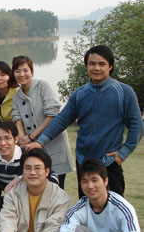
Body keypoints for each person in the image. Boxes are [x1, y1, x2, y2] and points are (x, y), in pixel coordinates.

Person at [27, 45, 143, 197]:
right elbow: (62, 119)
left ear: (111, 66)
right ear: (86, 66)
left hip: (109, 161)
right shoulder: (80, 94)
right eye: (92, 63)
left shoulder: (124, 92)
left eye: (102, 64)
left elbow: (137, 124)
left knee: (113, 208)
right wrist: (41, 141)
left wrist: (124, 152)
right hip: (83, 161)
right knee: (86, 207)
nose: (96, 68)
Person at [11, 56, 74, 188]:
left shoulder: (42, 86)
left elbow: (52, 114)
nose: (22, 74)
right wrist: (22, 137)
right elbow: (17, 117)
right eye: (17, 71)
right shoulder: (17, 95)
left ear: (31, 71)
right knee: (36, 187)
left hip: (53, 143)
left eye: (25, 70)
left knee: (56, 187)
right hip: (33, 147)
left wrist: (32, 136)